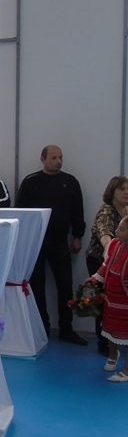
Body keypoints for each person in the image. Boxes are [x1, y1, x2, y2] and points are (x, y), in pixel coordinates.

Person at [16, 144, 87, 345]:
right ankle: (42, 329)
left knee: (65, 285)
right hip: (35, 241)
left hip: (59, 241)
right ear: (43, 159)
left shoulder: (70, 182)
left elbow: (77, 211)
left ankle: (66, 329)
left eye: (60, 157)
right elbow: (20, 212)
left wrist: (78, 236)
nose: (58, 161)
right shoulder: (31, 181)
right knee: (36, 286)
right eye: (54, 158)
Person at [85, 176, 128, 355]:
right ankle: (104, 344)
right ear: (112, 191)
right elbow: (104, 234)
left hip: (121, 262)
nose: (126, 192)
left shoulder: (126, 209)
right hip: (101, 260)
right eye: (122, 189)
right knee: (104, 302)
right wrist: (111, 251)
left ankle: (119, 340)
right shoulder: (106, 211)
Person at [89, 216, 128, 381]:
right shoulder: (115, 245)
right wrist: (95, 278)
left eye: (122, 229)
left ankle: (127, 370)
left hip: (126, 302)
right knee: (110, 329)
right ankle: (113, 355)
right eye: (118, 227)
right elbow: (106, 265)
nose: (117, 231)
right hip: (112, 298)